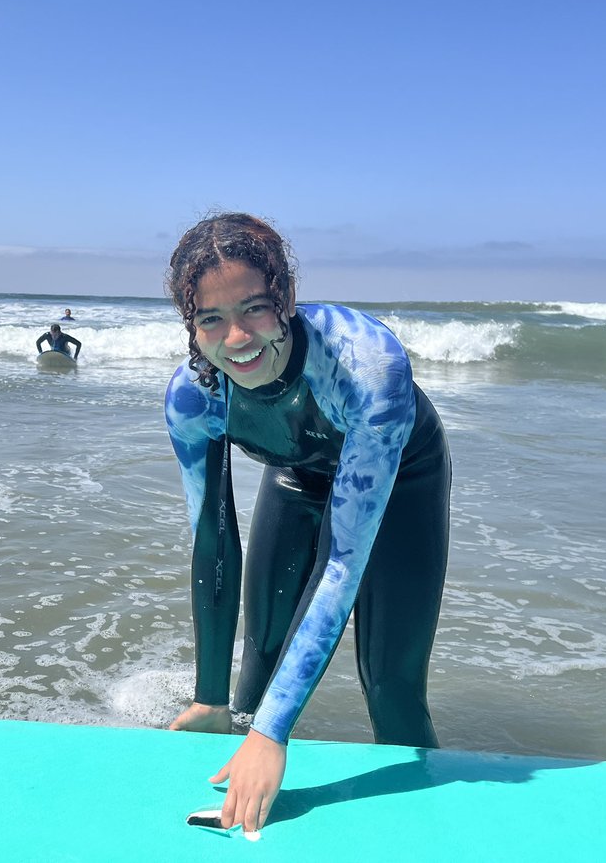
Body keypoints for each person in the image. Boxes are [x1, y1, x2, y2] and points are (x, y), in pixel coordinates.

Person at [163, 213, 451, 833]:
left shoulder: (367, 368)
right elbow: (211, 541)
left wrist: (275, 734)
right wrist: (211, 698)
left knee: (392, 688)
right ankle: (240, 756)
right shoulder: (195, 398)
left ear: (287, 300)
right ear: (191, 325)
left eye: (255, 308)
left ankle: (421, 829)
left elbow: (342, 559)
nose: (236, 337)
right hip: (298, 477)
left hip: (402, 479)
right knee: (254, 677)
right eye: (210, 318)